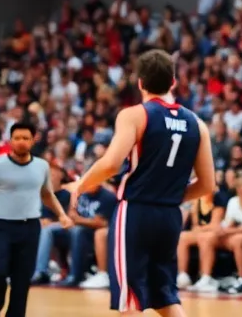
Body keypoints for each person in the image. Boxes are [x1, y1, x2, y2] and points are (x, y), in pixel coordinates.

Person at [74, 48, 217, 317]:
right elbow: (207, 185)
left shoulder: (134, 115)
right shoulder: (198, 124)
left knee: (129, 299)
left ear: (140, 83)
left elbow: (110, 164)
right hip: (170, 216)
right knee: (165, 297)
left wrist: (81, 184)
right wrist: (170, 196)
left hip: (136, 212)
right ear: (173, 81)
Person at [0, 122, 72, 317]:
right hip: (1, 227)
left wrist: (62, 214)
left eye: (25, 138)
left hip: (30, 228)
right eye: (17, 138)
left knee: (21, 281)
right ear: (10, 141)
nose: (21, 142)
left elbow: (47, 194)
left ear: (33, 140)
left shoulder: (42, 166)